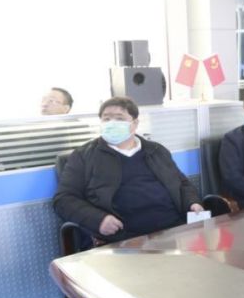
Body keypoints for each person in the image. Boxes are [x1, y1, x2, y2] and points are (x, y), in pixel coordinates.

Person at [53, 97, 204, 242]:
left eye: (119, 118)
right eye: (106, 119)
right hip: (123, 238)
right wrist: (99, 220)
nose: (112, 123)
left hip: (173, 230)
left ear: (135, 123)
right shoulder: (84, 156)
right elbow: (64, 200)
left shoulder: (156, 151)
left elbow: (182, 183)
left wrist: (192, 203)